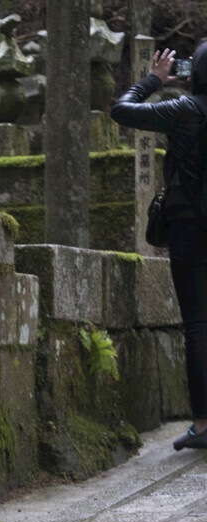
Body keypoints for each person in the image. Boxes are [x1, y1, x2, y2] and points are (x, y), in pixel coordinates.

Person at [111, 44, 207, 450]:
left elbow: (123, 109)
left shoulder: (185, 110)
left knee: (198, 324)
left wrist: (155, 79)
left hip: (190, 226)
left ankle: (203, 426)